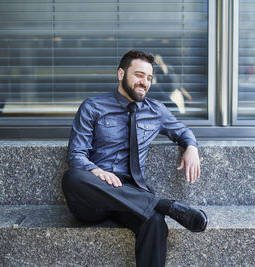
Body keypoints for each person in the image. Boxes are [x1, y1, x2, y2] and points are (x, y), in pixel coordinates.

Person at [62, 50, 207, 267]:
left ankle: (156, 207)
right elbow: (76, 155)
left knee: (155, 221)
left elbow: (183, 131)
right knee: (72, 177)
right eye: (139, 75)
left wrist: (191, 147)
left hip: (132, 193)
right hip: (96, 194)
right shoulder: (93, 106)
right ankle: (164, 205)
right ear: (121, 74)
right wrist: (96, 171)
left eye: (149, 78)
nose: (145, 82)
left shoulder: (156, 110)